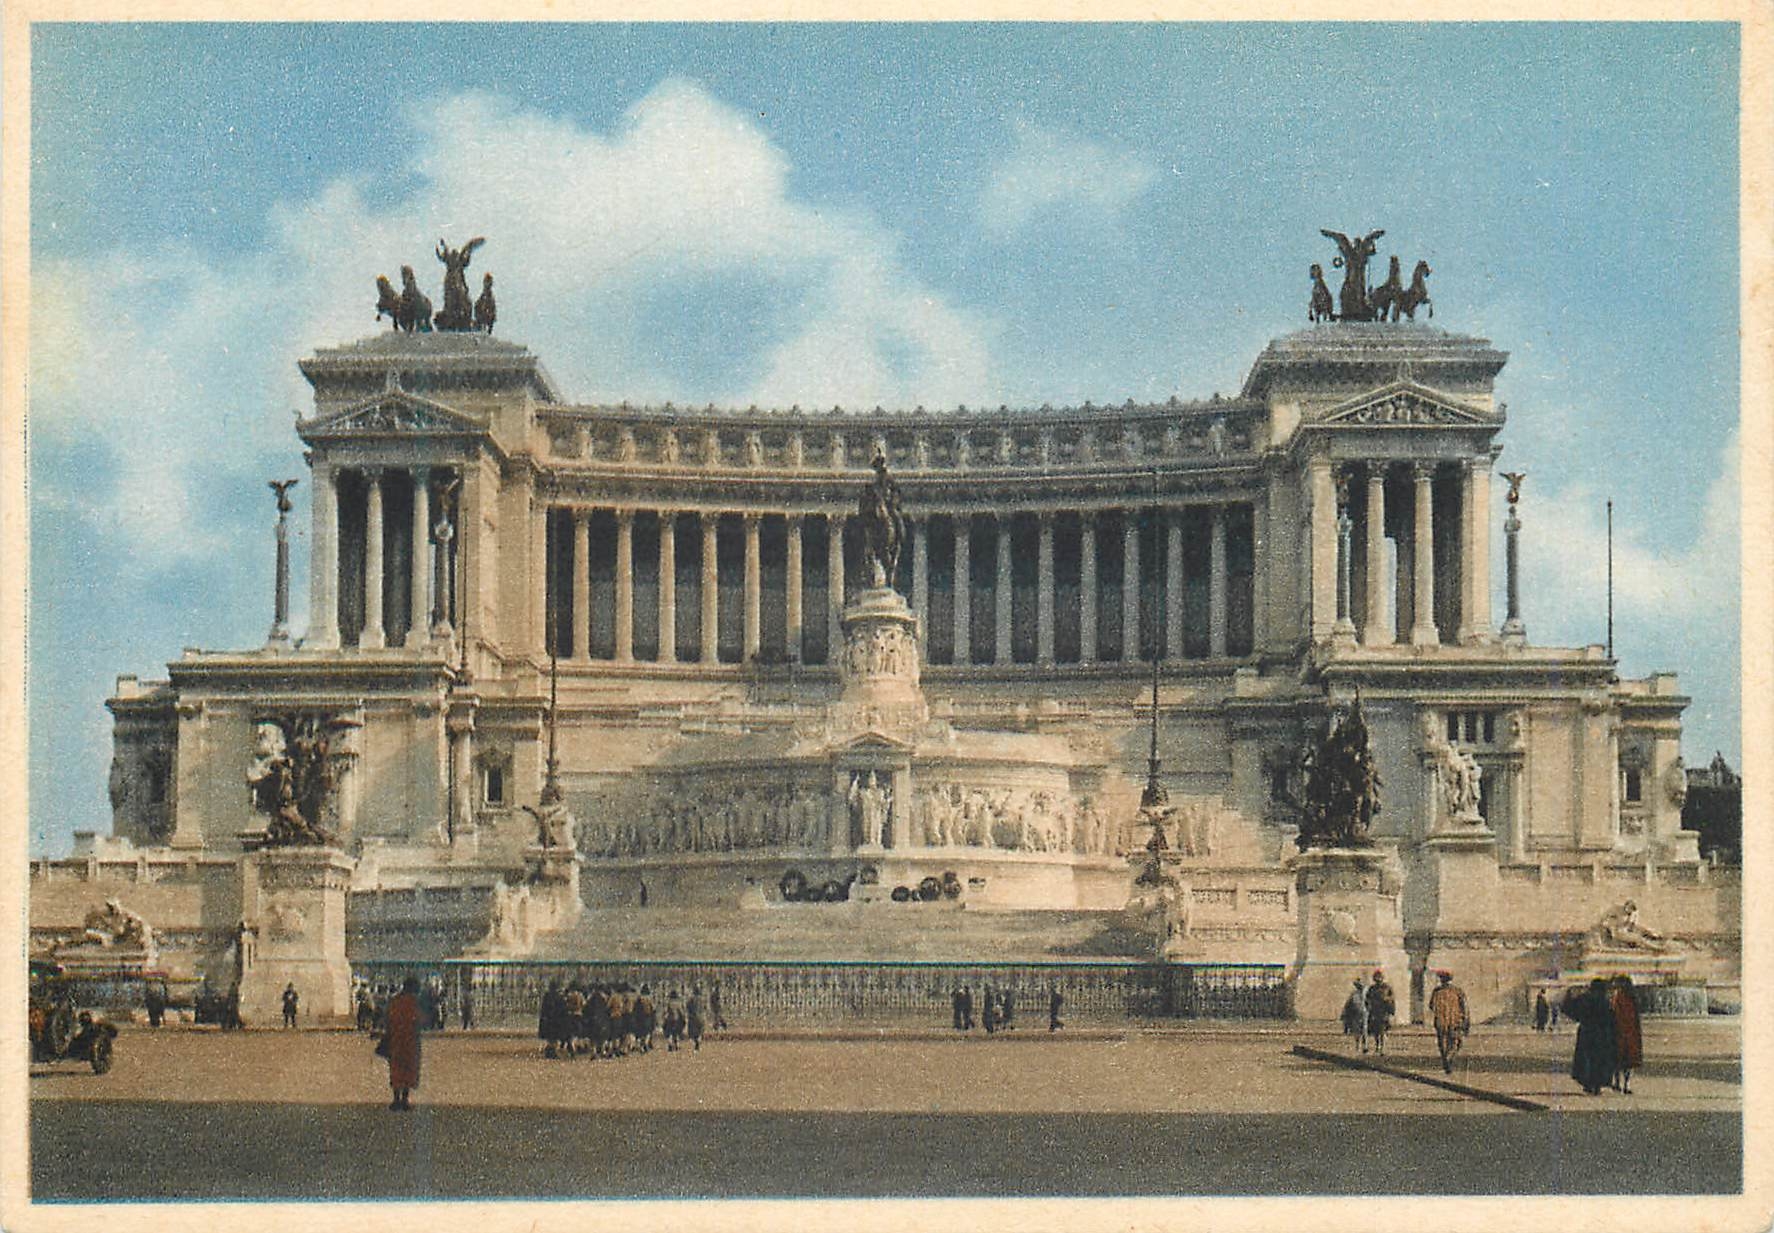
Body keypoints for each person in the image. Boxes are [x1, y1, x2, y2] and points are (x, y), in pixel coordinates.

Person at [1562, 978, 1618, 1095]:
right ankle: (1597, 1085)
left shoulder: (1584, 998)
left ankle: (1587, 1083)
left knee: (1586, 1058)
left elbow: (1568, 1009)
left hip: (1587, 1031)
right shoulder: (1605, 1001)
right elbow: (1612, 1019)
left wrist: (1569, 996)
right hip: (1602, 1034)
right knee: (1599, 1059)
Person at [382, 976, 423, 1111]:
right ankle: (405, 1100)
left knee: (396, 1070)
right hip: (410, 1042)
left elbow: (388, 1019)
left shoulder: (394, 1001)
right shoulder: (413, 1002)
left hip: (395, 1041)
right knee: (408, 1070)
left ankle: (396, 1099)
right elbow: (418, 1021)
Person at [1427, 971, 1470, 1074]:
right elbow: (1465, 1007)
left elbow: (1431, 1006)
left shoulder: (1436, 991)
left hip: (1441, 1022)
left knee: (1442, 1043)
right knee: (1457, 1043)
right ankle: (1449, 1058)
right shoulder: (1457, 991)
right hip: (1455, 1021)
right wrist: (1466, 1022)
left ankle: (1445, 1059)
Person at [1609, 975, 1643, 1094]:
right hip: (1631, 1033)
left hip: (1618, 1032)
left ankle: (1617, 1083)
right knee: (1629, 1061)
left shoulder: (1617, 997)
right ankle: (1626, 1085)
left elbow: (1612, 1014)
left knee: (1617, 1060)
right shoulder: (1633, 998)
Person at [1364, 971, 1395, 1054]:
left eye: (1379, 977)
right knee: (1375, 1031)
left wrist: (1392, 1011)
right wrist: (1368, 1007)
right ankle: (1377, 1046)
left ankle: (1382, 1047)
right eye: (1376, 977)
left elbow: (1392, 999)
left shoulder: (1387, 987)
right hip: (1374, 1012)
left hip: (1384, 1012)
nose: (1378, 979)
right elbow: (1367, 999)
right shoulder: (1372, 988)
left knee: (1382, 1030)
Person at [1341, 978, 1369, 1053]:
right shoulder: (1354, 994)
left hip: (1364, 1013)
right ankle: (1357, 1046)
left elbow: (1369, 1003)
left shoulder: (1366, 993)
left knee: (1364, 1030)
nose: (1359, 986)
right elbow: (1348, 1004)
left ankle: (1365, 1046)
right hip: (1356, 1014)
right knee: (1357, 1031)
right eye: (1357, 985)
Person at [686, 987, 705, 1051]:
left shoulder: (691, 999)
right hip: (701, 1017)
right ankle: (698, 1041)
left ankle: (696, 1041)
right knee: (700, 1031)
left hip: (694, 1017)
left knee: (693, 1032)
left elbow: (688, 1006)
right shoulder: (702, 999)